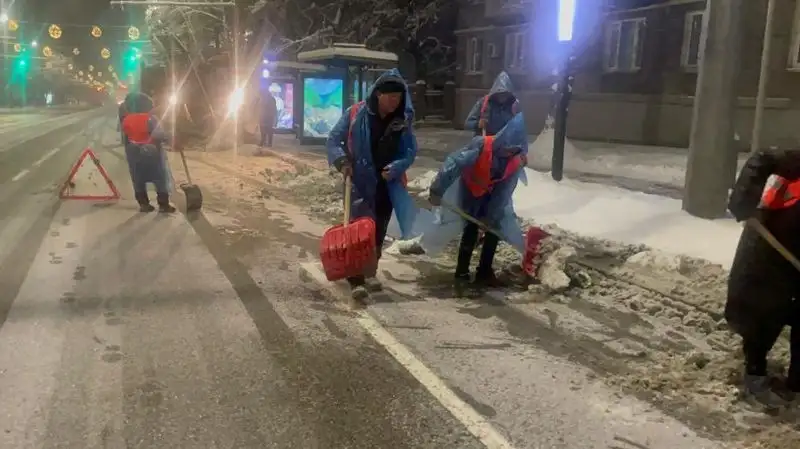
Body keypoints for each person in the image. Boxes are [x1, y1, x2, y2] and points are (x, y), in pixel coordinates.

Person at [326, 68, 417, 300]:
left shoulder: (402, 122)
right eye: (391, 97)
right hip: (359, 181)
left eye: (399, 98)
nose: (395, 102)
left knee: (378, 230)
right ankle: (356, 278)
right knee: (358, 229)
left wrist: (396, 167)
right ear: (378, 94)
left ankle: (370, 271)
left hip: (387, 183)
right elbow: (334, 139)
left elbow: (409, 151)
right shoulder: (356, 113)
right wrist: (342, 161)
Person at [726, 149, 800, 407]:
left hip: (795, 257)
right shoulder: (795, 162)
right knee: (763, 314)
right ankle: (754, 373)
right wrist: (745, 198)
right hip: (768, 248)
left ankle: (796, 384)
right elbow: (763, 158)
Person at [427, 113, 527, 287]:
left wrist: (491, 216)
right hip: (471, 190)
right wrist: (438, 189)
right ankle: (462, 272)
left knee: (493, 229)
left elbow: (503, 193)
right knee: (471, 227)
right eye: (507, 148)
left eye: (513, 150)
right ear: (501, 141)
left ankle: (484, 271)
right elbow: (454, 164)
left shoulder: (514, 161)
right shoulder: (481, 146)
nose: (509, 153)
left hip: (491, 192)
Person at [121, 92, 176, 213]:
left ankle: (144, 204)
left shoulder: (126, 120)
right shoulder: (150, 119)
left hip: (134, 153)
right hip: (152, 153)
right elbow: (158, 134)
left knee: (138, 180)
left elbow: (125, 138)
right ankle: (163, 205)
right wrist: (170, 137)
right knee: (160, 179)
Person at [464, 71, 520, 137]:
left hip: (505, 142)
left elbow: (519, 128)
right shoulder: (484, 103)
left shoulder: (513, 105)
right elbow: (467, 124)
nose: (502, 96)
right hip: (486, 141)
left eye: (505, 93)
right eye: (500, 93)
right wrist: (477, 124)